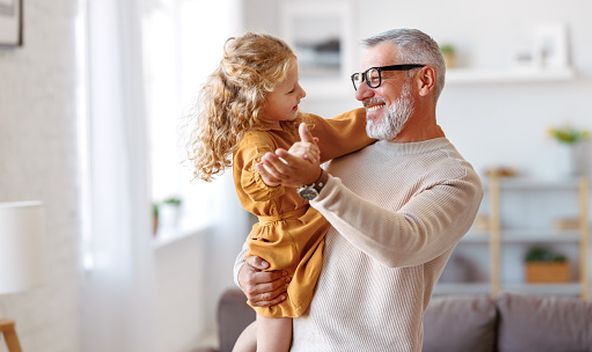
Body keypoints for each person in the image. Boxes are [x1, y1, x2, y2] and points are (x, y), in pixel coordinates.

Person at [234, 28, 484, 351]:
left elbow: (401, 244)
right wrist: (244, 271)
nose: (361, 93)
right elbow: (282, 221)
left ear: (424, 81)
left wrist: (316, 183)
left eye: (376, 77)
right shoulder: (345, 150)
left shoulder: (454, 178)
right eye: (360, 79)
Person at [188, 32, 373, 352]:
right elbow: (260, 183)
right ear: (258, 99)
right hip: (278, 247)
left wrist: (378, 117)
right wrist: (289, 165)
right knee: (275, 333)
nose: (302, 92)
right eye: (291, 89)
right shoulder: (255, 143)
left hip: (304, 227)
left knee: (269, 332)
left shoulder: (296, 125)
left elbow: (341, 131)